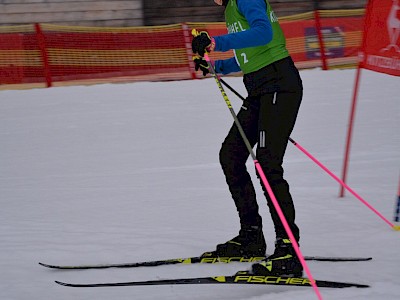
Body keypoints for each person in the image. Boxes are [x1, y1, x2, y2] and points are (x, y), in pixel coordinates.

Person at [191, 0, 303, 277]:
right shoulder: (230, 7)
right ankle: (251, 237)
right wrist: (216, 66)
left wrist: (217, 42)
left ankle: (289, 249)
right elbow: (247, 55)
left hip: (279, 84)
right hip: (259, 88)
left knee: (267, 165)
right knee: (230, 156)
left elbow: (263, 32)